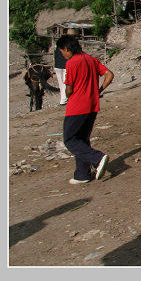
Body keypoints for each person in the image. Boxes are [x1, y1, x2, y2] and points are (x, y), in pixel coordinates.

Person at [56, 33, 114, 185]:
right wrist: (99, 90)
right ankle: (82, 174)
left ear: (67, 49)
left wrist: (69, 91)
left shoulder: (72, 63)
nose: (63, 55)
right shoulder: (91, 59)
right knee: (82, 139)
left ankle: (97, 158)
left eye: (62, 52)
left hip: (77, 106)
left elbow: (68, 90)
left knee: (70, 140)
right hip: (92, 105)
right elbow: (109, 74)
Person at [53, 28, 77, 105]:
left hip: (57, 65)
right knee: (66, 82)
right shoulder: (71, 43)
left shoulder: (60, 42)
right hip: (66, 65)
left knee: (61, 83)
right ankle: (65, 100)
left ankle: (63, 99)